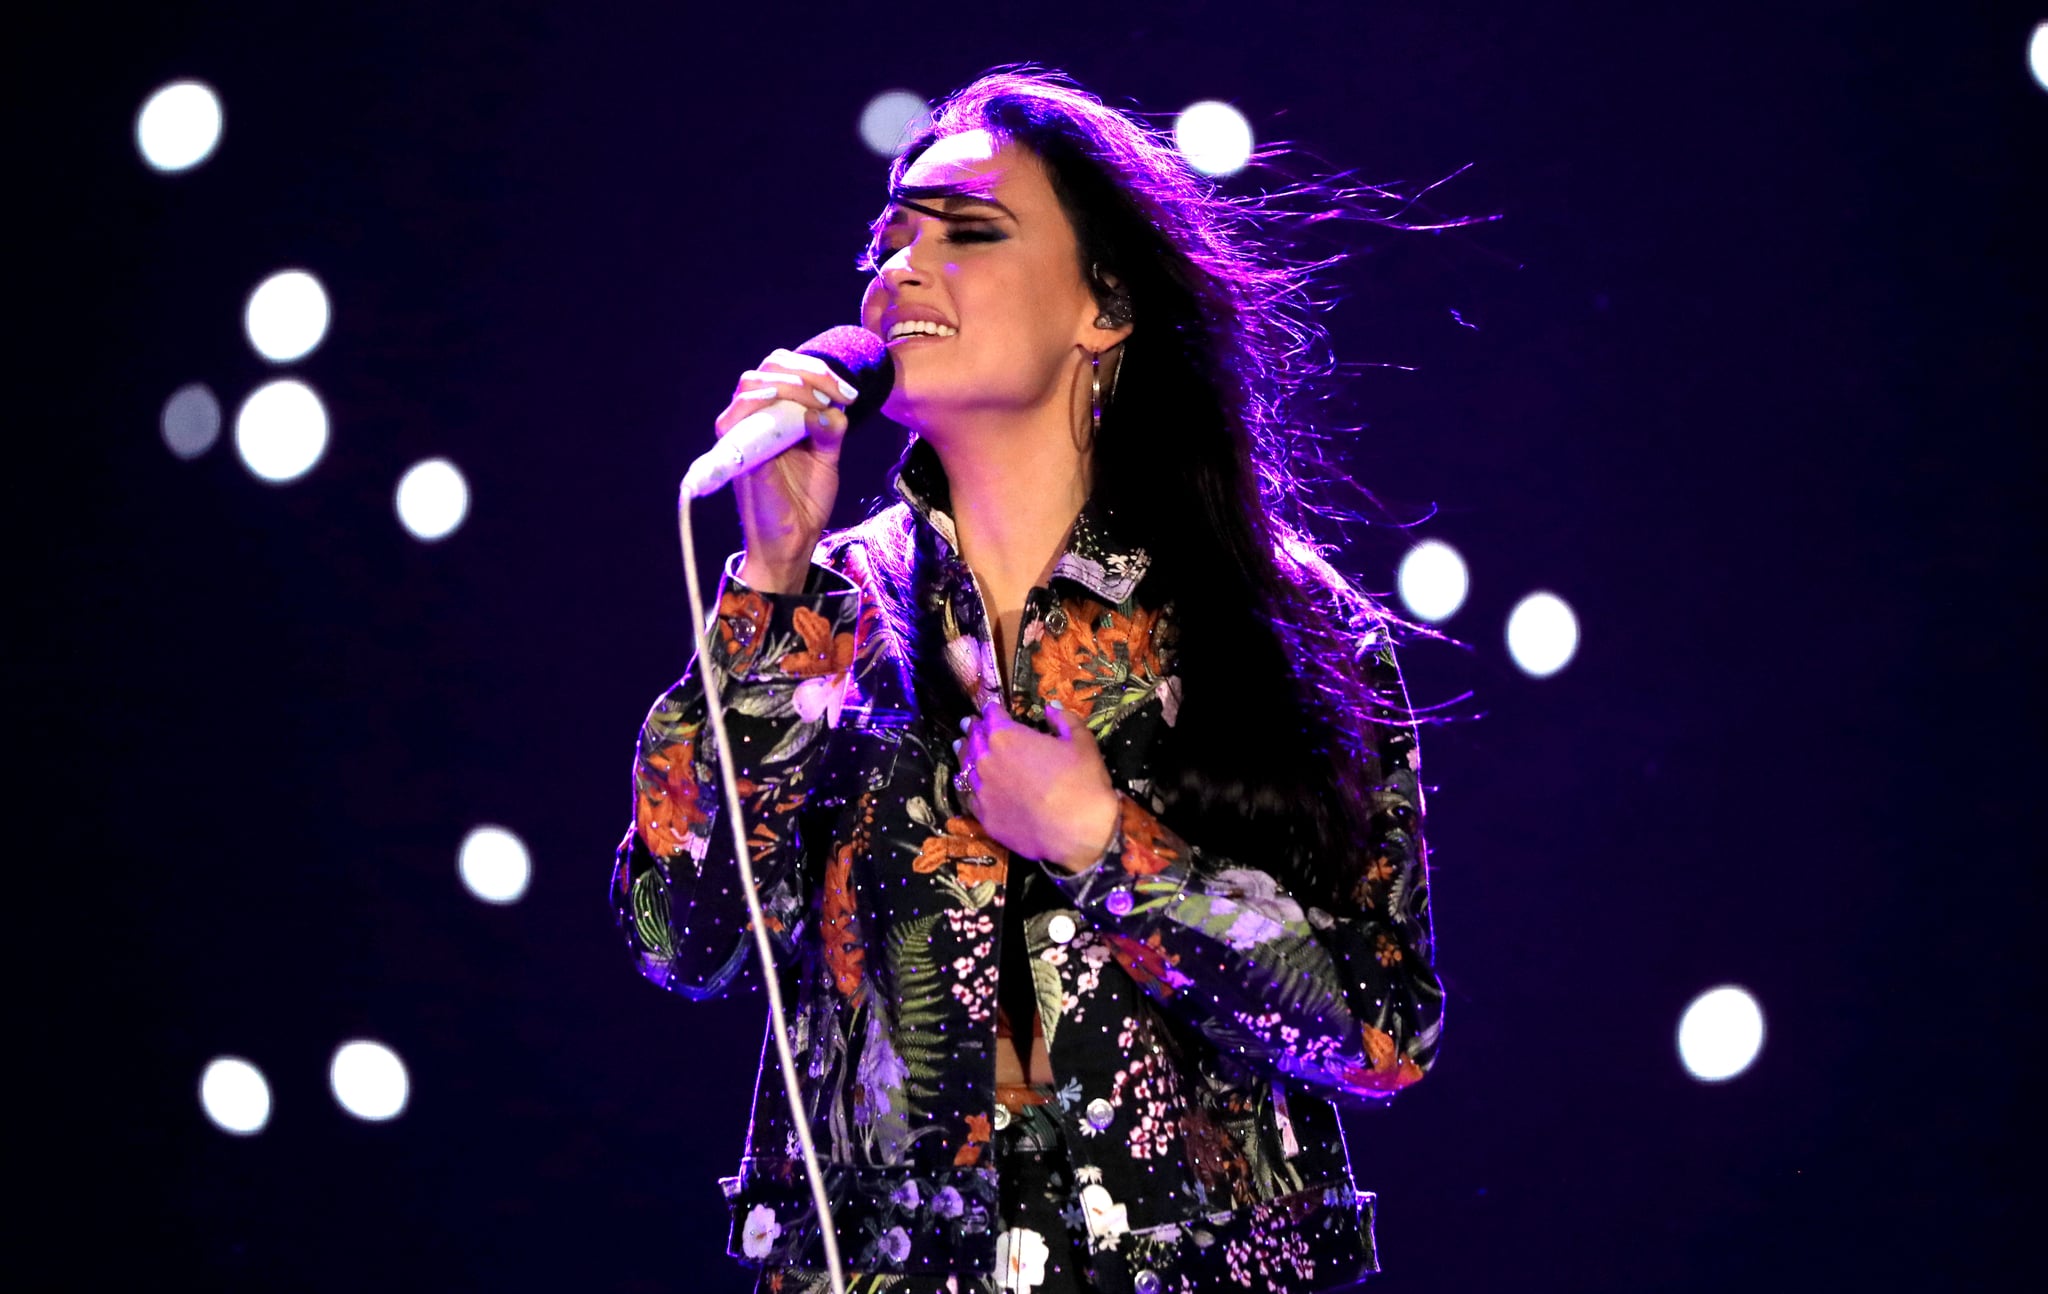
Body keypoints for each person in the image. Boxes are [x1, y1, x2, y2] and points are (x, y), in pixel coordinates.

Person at [611, 68, 1443, 1294]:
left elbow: (1383, 1026)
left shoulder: (1275, 620)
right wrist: (772, 576)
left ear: (1101, 305)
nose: (899, 267)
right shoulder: (823, 615)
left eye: (967, 234)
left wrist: (1107, 841)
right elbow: (679, 937)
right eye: (889, 236)